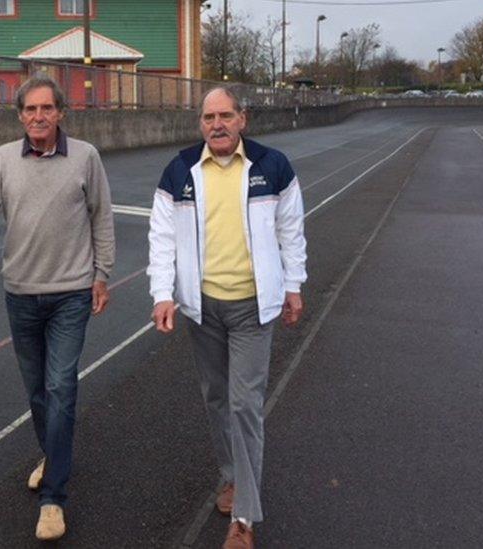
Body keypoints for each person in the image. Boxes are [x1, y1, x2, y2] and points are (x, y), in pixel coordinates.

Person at [0, 75, 115, 541]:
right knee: (38, 392)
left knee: (61, 387)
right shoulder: (1, 161)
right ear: (20, 116)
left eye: (47, 108)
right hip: (20, 294)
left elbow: (102, 216)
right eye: (30, 110)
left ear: (61, 112)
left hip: (72, 293)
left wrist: (102, 275)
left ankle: (54, 498)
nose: (38, 116)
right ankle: (55, 454)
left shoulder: (85, 157)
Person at [147, 86, 307, 549]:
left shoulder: (272, 167)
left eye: (225, 115)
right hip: (203, 308)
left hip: (253, 308)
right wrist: (163, 294)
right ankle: (232, 476)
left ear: (243, 118)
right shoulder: (179, 171)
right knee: (216, 398)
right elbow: (161, 239)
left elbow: (291, 230)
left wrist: (294, 285)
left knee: (244, 404)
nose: (216, 124)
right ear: (200, 123)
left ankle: (244, 519)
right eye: (208, 117)